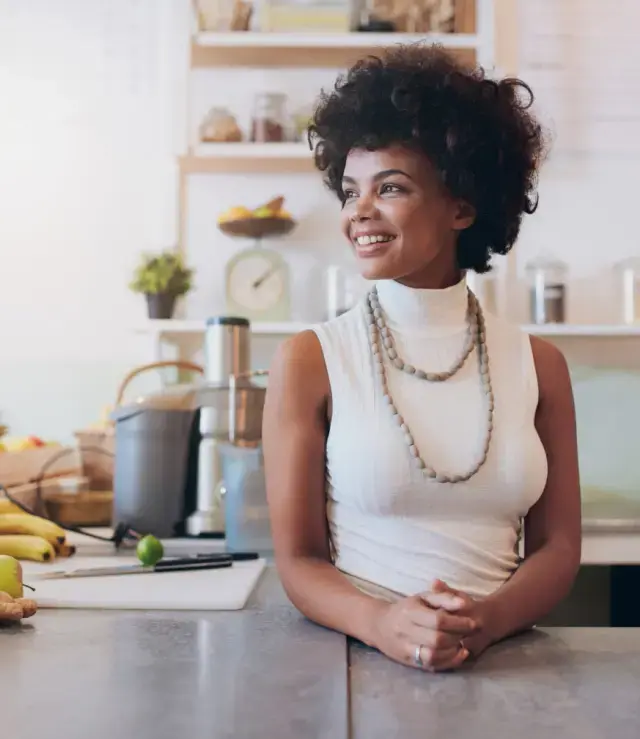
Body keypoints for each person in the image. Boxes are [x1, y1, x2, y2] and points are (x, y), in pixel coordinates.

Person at [262, 44, 581, 672]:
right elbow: (298, 562)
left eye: (392, 188)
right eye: (351, 191)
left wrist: (484, 623)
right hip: (357, 668)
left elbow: (559, 547)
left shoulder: (539, 364)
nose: (360, 212)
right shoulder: (310, 360)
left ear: (462, 206)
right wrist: (383, 624)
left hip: (504, 670)